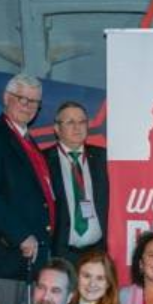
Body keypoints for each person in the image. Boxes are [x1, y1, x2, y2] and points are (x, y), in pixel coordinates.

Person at [0, 74, 55, 304]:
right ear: (6, 98)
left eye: (34, 102)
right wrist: (19, 236)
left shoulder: (25, 140)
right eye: (22, 99)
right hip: (4, 260)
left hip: (26, 261)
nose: (28, 106)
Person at [46, 101, 110, 264]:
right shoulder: (43, 161)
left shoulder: (103, 158)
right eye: (70, 122)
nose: (77, 127)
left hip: (97, 252)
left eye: (82, 122)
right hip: (60, 253)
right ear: (57, 128)